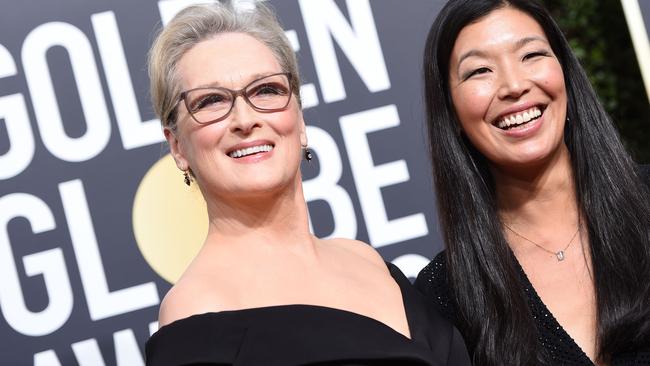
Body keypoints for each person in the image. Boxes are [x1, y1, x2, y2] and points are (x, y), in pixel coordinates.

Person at [143, 2, 470, 365]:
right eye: (210, 101)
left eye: (265, 90)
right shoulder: (195, 312)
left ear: (299, 119)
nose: (245, 119)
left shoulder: (367, 261)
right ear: (177, 146)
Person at [414, 0, 650, 365]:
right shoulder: (443, 297)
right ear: (451, 111)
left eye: (530, 55)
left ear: (566, 74)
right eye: (479, 71)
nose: (513, 85)